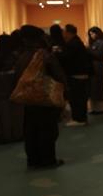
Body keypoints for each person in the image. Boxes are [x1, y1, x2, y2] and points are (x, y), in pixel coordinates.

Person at [15, 25, 66, 168]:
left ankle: (33, 160)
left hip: (28, 98)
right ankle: (48, 160)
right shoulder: (44, 55)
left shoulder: (21, 56)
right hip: (45, 97)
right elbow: (57, 74)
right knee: (47, 130)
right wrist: (64, 91)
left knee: (31, 130)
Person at [0, 33, 24, 144]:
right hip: (12, 87)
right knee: (14, 112)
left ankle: (0, 136)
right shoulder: (14, 57)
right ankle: (15, 134)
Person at [62, 24, 92, 125]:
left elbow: (68, 59)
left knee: (77, 98)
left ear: (69, 33)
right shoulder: (76, 42)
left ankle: (79, 119)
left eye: (64, 32)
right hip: (79, 74)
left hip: (77, 75)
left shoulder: (73, 44)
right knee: (79, 97)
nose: (63, 34)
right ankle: (80, 118)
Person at [87, 26, 103, 115]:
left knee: (99, 86)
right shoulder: (95, 43)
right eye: (90, 34)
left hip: (98, 66)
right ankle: (95, 108)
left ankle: (101, 109)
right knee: (93, 87)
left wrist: (88, 50)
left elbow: (99, 54)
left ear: (97, 33)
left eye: (92, 33)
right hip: (94, 66)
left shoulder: (102, 42)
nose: (91, 36)